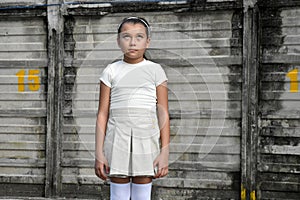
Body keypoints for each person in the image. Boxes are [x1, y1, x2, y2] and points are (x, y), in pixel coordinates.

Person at [95, 17, 170, 200]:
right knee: (118, 193)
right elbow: (103, 113)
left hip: (147, 137)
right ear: (118, 41)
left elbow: (163, 112)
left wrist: (165, 151)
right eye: (126, 37)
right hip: (117, 137)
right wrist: (99, 153)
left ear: (148, 41)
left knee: (142, 194)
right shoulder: (111, 71)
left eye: (139, 37)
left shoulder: (155, 70)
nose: (133, 42)